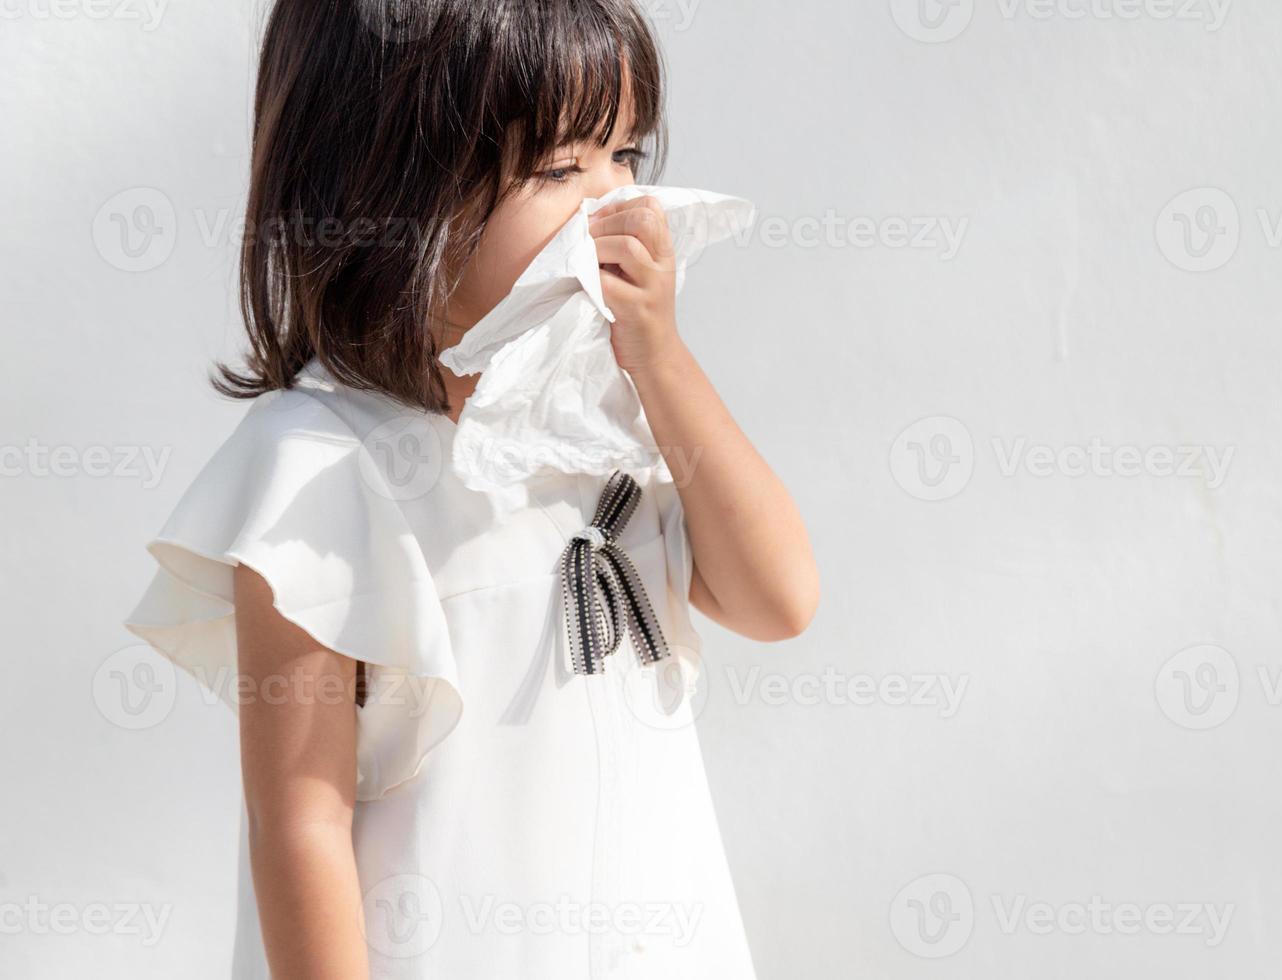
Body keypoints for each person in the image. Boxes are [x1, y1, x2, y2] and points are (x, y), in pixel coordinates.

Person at [123, 2, 819, 976]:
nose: (612, 201)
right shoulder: (319, 465)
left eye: (626, 154)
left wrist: (660, 361)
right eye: (559, 168)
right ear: (389, 190)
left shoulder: (608, 412)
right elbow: (300, 819)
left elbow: (778, 596)